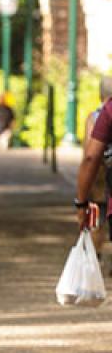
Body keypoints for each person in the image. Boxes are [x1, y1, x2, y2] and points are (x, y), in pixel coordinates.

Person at [76, 76, 112, 270]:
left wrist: (81, 199)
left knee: (98, 215)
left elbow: (89, 154)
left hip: (100, 176)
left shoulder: (96, 116)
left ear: (100, 94)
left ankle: (96, 257)